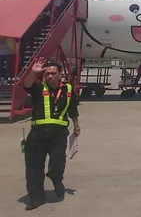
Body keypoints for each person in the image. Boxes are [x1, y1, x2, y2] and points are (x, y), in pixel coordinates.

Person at [21, 57, 81, 210]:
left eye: (53, 73)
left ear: (60, 74)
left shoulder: (68, 90)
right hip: (38, 134)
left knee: (58, 161)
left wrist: (76, 126)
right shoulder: (38, 88)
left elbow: (73, 109)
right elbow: (26, 85)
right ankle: (37, 198)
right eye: (47, 74)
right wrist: (33, 72)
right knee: (34, 167)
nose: (49, 76)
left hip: (58, 134)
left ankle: (56, 178)